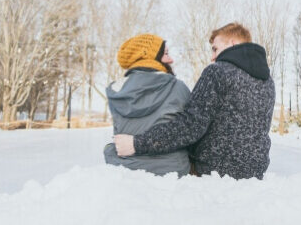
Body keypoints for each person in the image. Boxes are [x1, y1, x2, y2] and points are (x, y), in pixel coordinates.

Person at [114, 22, 275, 179]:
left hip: (212, 171)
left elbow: (190, 126)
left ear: (233, 44)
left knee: (163, 163)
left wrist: (137, 143)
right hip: (255, 171)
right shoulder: (267, 81)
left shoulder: (217, 71)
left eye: (215, 49)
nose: (212, 57)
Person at [104, 34, 191, 177]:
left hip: (126, 172)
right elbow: (191, 131)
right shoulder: (177, 88)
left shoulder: (116, 91)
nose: (171, 60)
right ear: (150, 57)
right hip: (172, 174)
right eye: (166, 54)